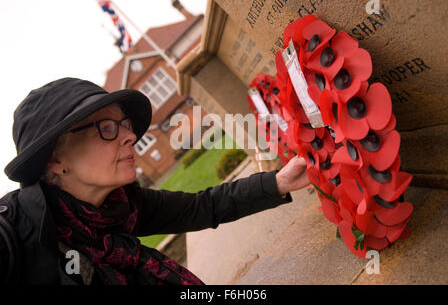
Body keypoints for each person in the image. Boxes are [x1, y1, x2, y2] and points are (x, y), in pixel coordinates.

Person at [0, 77, 309, 285]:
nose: (131, 136)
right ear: (55, 158)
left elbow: (203, 206)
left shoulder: (121, 205)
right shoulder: (12, 239)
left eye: (126, 125)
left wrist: (279, 182)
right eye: (107, 128)